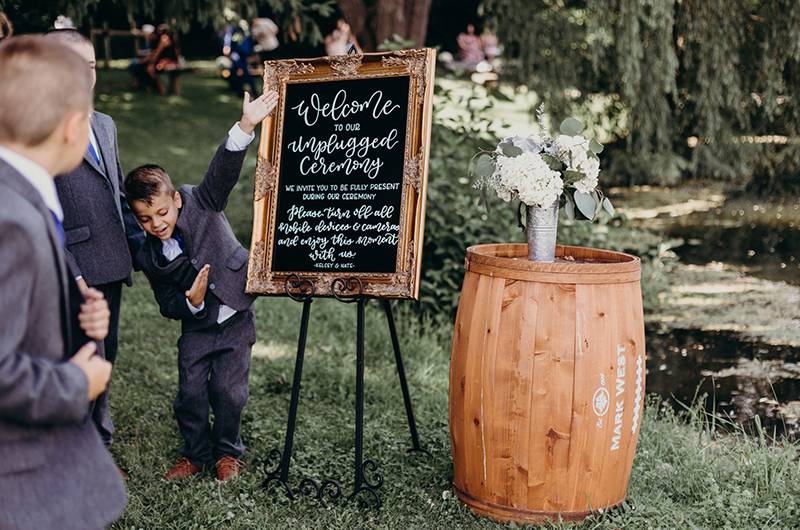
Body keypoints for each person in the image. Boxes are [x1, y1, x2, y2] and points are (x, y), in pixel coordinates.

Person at [0, 35, 126, 530]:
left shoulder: (20, 195)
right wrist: (78, 382)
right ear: (74, 128)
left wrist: (75, 323)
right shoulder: (12, 221)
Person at [124, 89, 278, 481]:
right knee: (190, 392)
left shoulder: (202, 200)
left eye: (162, 212)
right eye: (145, 219)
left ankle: (228, 453)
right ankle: (194, 452)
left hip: (234, 311)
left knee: (229, 392)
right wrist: (189, 302)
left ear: (176, 200)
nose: (157, 223)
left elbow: (222, 171)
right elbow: (165, 303)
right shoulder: (149, 255)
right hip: (196, 324)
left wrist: (245, 126)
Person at [44, 29, 144, 474]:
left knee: (107, 353)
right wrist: (72, 273)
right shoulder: (37, 129)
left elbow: (118, 198)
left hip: (111, 262)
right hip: (71, 269)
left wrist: (146, 247)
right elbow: (40, 214)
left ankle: (91, 438)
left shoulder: (104, 123)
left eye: (91, 67)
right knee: (82, 358)